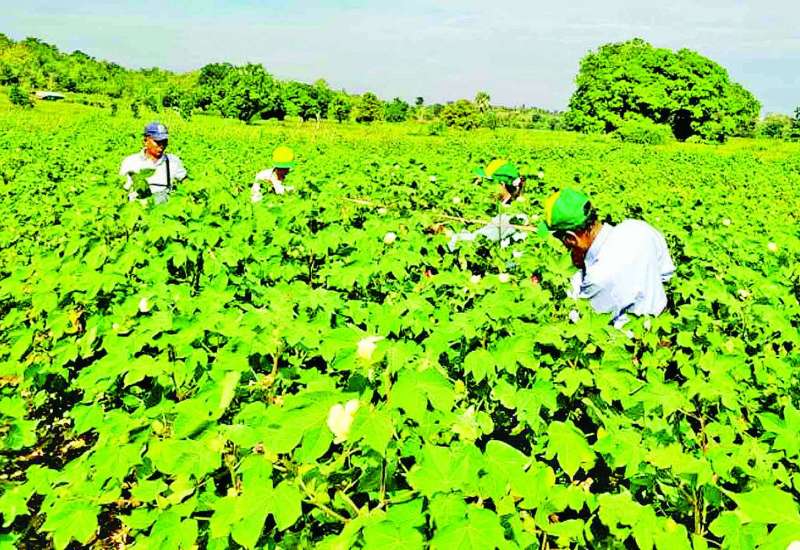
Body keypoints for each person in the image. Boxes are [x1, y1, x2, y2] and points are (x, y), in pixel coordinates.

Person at [537, 188, 675, 327]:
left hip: (629, 338)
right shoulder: (637, 227)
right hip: (663, 320)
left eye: (559, 239)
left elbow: (581, 321)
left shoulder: (598, 278)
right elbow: (666, 273)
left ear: (571, 239)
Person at [120, 122, 187, 204]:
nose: (161, 145)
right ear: (145, 141)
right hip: (137, 206)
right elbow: (122, 189)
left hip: (164, 207)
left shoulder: (173, 161)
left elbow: (186, 183)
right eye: (157, 141)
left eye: (164, 141)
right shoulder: (130, 161)